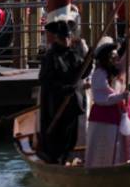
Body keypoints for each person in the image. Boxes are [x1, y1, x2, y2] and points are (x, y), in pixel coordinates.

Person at [85, 33, 130, 167]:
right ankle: (106, 166)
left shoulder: (117, 69)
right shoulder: (99, 74)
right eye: (113, 56)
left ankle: (127, 164)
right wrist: (121, 97)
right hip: (106, 116)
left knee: (124, 144)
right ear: (107, 58)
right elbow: (102, 98)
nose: (117, 58)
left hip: (121, 112)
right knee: (108, 145)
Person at [37, 20, 86, 164]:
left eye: (68, 37)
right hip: (56, 102)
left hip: (73, 101)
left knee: (71, 134)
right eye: (64, 38)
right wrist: (64, 89)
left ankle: (65, 158)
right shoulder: (50, 57)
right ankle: (55, 159)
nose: (67, 41)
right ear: (57, 39)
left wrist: (89, 60)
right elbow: (46, 81)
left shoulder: (73, 54)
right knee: (57, 133)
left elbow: (82, 73)